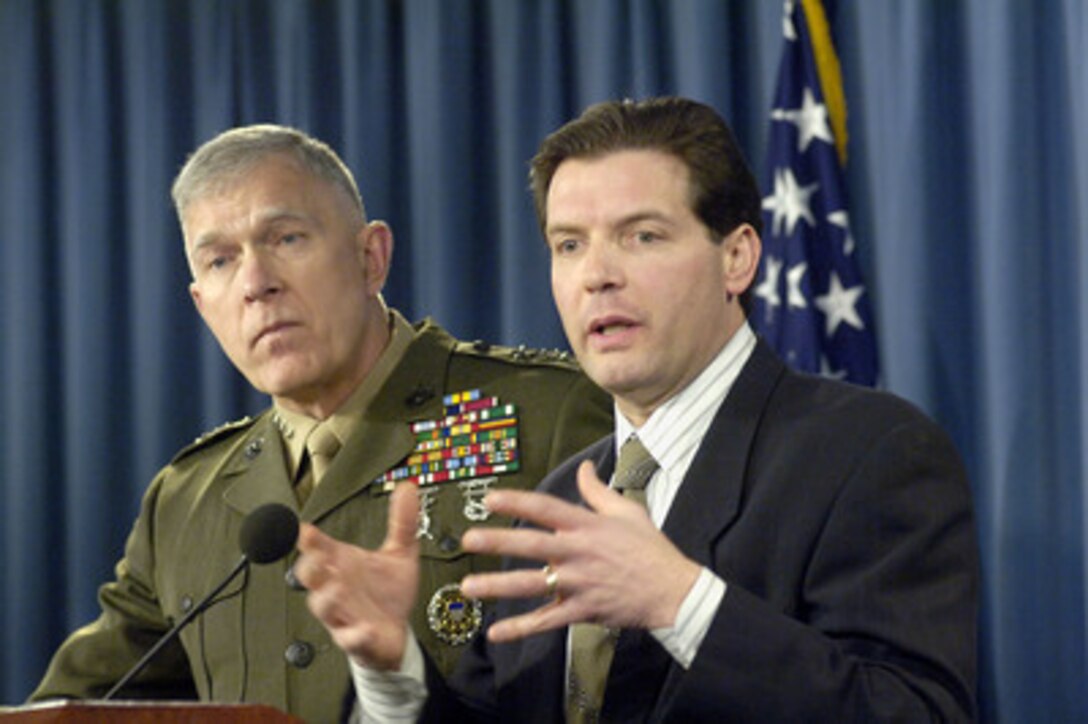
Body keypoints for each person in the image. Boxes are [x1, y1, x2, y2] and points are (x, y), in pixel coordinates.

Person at [296, 96, 980, 722]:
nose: (598, 273)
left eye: (642, 236)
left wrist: (682, 603)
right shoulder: (564, 497)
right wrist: (394, 670)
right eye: (570, 244)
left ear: (737, 258)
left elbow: (914, 712)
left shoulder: (867, 451)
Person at [29, 125, 612, 723]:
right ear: (203, 305)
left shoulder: (548, 417)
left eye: (285, 238)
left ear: (371, 258)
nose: (257, 284)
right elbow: (68, 710)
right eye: (221, 260)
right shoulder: (184, 501)